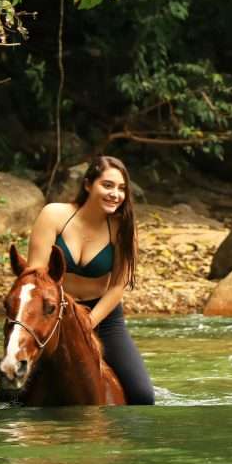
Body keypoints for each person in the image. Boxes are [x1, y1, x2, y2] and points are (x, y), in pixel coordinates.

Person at [25, 156, 154, 405]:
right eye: (107, 185)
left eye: (121, 188)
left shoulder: (123, 228)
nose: (115, 194)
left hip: (104, 318)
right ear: (88, 185)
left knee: (142, 395)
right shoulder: (54, 215)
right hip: (53, 314)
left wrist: (88, 322)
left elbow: (118, 286)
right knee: (10, 394)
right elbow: (36, 276)